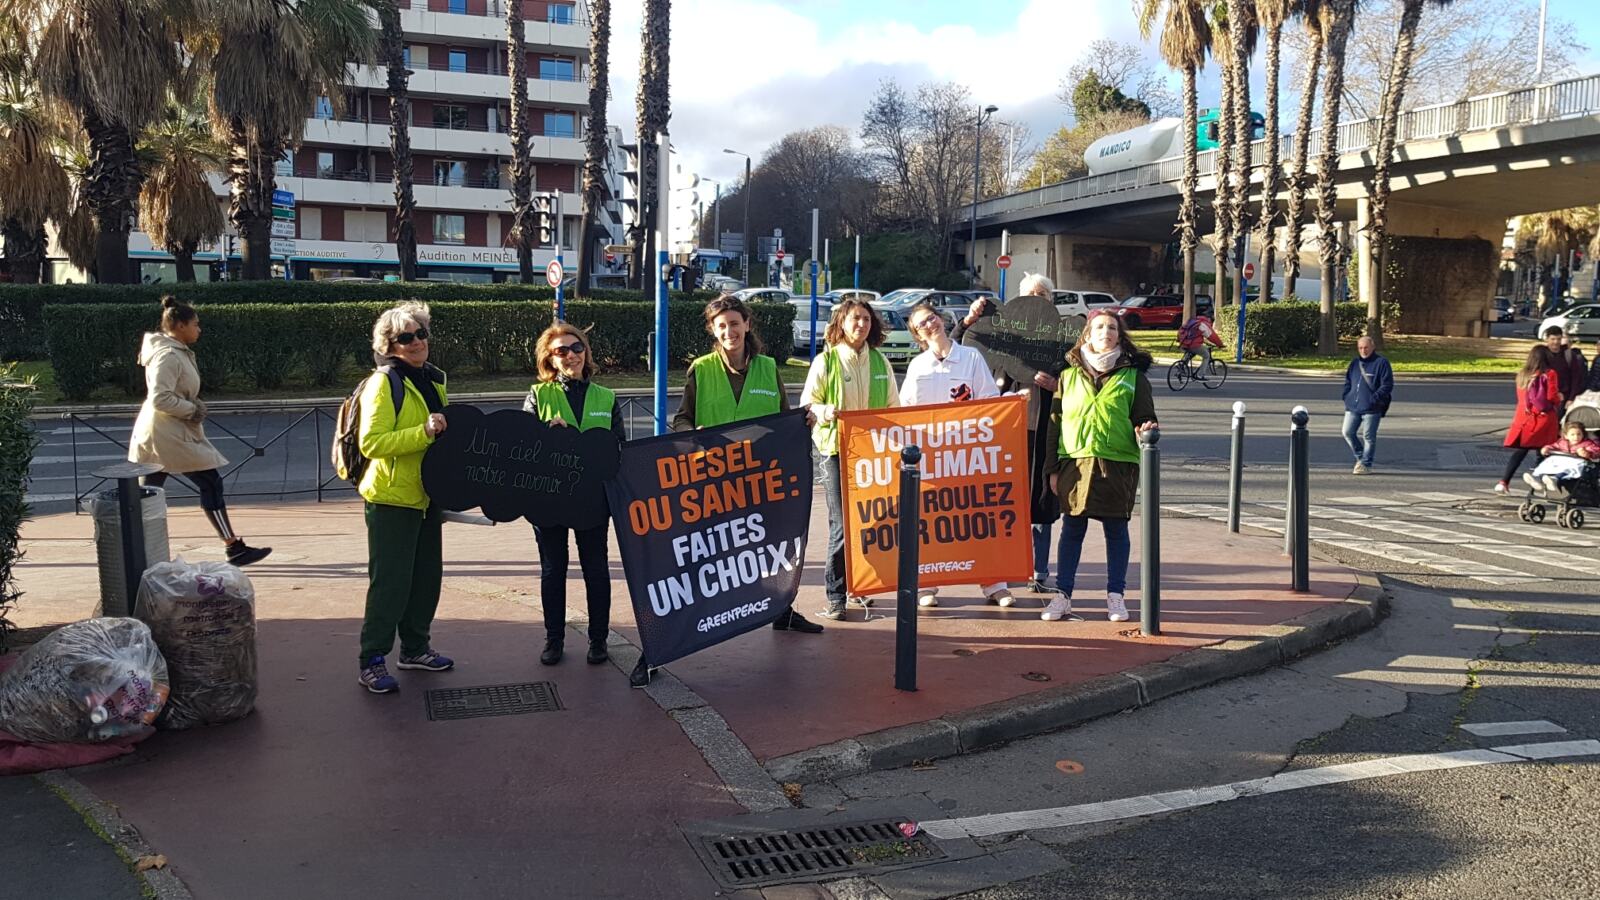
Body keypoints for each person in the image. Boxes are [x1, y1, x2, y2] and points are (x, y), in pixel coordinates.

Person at [640, 297, 817, 687]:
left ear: (747, 324)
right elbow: (681, 419)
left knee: (773, 549)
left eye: (734, 324)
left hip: (759, 480)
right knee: (701, 557)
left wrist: (804, 419)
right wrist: (692, 434)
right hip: (711, 482)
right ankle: (661, 638)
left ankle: (782, 609)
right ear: (713, 331)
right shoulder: (701, 370)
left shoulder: (768, 368)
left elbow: (784, 420)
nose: (729, 332)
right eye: (721, 326)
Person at [355, 303, 454, 694]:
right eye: (406, 337)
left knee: (426, 577)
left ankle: (415, 648)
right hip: (392, 498)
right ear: (390, 344)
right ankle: (372, 659)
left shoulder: (432, 379)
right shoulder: (384, 383)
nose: (417, 343)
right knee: (391, 582)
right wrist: (423, 433)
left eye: (421, 334)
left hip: (428, 495)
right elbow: (371, 442)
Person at [129, 296, 271, 567]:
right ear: (180, 326)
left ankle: (136, 550)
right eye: (195, 324)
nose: (199, 329)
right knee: (208, 482)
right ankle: (233, 547)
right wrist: (192, 410)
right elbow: (160, 397)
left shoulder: (174, 351)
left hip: (164, 432)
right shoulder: (169, 355)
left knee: (149, 494)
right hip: (168, 433)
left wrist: (191, 407)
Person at [1042, 309, 1158, 623]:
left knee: (1116, 530)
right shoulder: (1067, 375)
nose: (1105, 332)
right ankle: (1062, 596)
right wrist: (1051, 469)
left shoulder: (1133, 376)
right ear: (1088, 334)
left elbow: (1144, 417)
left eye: (1111, 327)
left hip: (1116, 463)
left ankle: (1116, 597)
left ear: (1119, 335)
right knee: (1072, 530)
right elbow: (1055, 423)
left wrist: (1145, 429)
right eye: (1098, 327)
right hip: (1076, 463)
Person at [900, 302, 1016, 609]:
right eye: (922, 324)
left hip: (967, 456)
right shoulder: (918, 367)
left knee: (977, 520)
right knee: (932, 522)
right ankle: (927, 583)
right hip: (932, 459)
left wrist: (1011, 402)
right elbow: (905, 413)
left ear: (941, 319)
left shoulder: (971, 357)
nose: (930, 324)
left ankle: (994, 584)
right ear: (917, 335)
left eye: (932, 318)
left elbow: (990, 401)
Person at [523, 323, 624, 667]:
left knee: (595, 568)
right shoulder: (538, 395)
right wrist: (544, 435)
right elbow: (520, 449)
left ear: (586, 352)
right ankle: (554, 639)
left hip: (592, 499)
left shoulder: (606, 397)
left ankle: (599, 639)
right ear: (549, 359)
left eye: (576, 347)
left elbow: (619, 450)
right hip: (548, 498)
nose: (571, 355)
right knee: (553, 569)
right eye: (561, 351)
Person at [956, 273, 1063, 595]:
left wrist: (1060, 385)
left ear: (1050, 301)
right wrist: (969, 319)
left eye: (1042, 294)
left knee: (1042, 500)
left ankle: (1038, 571)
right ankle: (1003, 569)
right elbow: (961, 345)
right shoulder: (1000, 330)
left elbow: (1083, 379)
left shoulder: (1061, 338)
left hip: (1045, 432)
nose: (1035, 299)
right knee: (1004, 503)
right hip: (1005, 433)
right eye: (1029, 293)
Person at [800, 299, 901, 620]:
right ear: (841, 323)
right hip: (835, 451)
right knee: (841, 525)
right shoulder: (826, 361)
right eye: (855, 319)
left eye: (867, 320)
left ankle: (861, 587)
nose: (861, 325)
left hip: (872, 456)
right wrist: (826, 412)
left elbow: (894, 408)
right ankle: (836, 596)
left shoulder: (880, 362)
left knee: (869, 523)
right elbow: (808, 403)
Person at [1496, 345, 1563, 494]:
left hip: (1524, 417)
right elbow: (1551, 396)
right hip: (1543, 417)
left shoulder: (1522, 374)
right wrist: (1559, 399)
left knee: (1521, 451)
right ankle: (1537, 475)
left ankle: (1504, 481)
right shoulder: (1550, 374)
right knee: (1545, 449)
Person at [1341, 336, 1394, 475]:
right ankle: (1361, 458)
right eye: (1360, 348)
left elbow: (1387, 385)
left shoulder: (1381, 363)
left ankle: (1366, 464)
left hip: (1372, 408)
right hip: (1353, 406)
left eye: (1366, 348)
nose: (1363, 351)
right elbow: (1348, 382)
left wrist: (1374, 399)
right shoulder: (1354, 363)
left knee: (1369, 436)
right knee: (1347, 432)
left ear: (1372, 347)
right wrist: (1347, 396)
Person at [1522, 420, 1600, 493]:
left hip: (1576, 462)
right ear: (1566, 436)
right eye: (1572, 435)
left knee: (1568, 468)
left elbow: (1596, 451)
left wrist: (1586, 453)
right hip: (1562, 460)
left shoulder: (1587, 444)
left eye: (1579, 434)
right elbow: (1554, 446)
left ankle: (1555, 479)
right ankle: (1537, 477)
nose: (1576, 437)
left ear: (1583, 435)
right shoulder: (1562, 442)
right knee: (1548, 462)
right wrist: (1547, 448)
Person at [1545, 326, 1588, 407]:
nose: (1556, 342)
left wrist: (1571, 398)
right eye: (1553, 339)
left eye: (1558, 339)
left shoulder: (1568, 355)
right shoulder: (1542, 354)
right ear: (1547, 339)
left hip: (1563, 397)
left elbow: (1575, 377)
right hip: (1544, 396)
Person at [1177, 312, 1224, 380]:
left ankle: (1182, 364)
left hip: (1184, 343)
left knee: (1192, 351)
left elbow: (1182, 330)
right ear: (1209, 319)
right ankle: (1200, 375)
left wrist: (1179, 340)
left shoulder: (1192, 321)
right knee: (1206, 356)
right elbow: (1212, 336)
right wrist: (1220, 344)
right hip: (1193, 344)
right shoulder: (1203, 324)